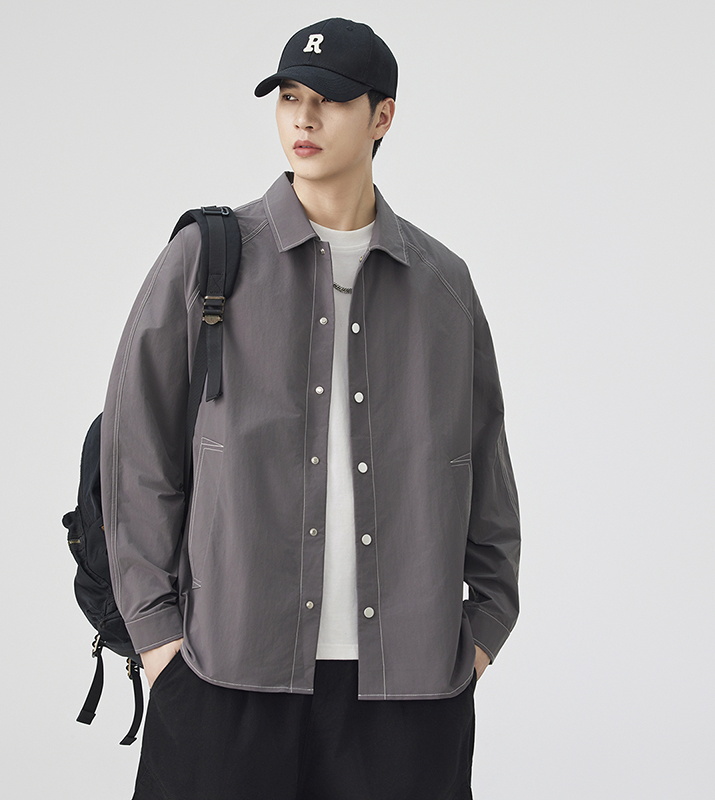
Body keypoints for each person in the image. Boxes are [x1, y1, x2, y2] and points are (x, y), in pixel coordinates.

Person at [101, 17, 520, 800]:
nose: (304, 117)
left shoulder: (444, 285)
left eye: (329, 99)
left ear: (382, 116)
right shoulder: (207, 260)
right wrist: (158, 641)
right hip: (225, 673)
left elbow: (485, 466)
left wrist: (484, 629)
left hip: (408, 692)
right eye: (290, 97)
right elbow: (136, 456)